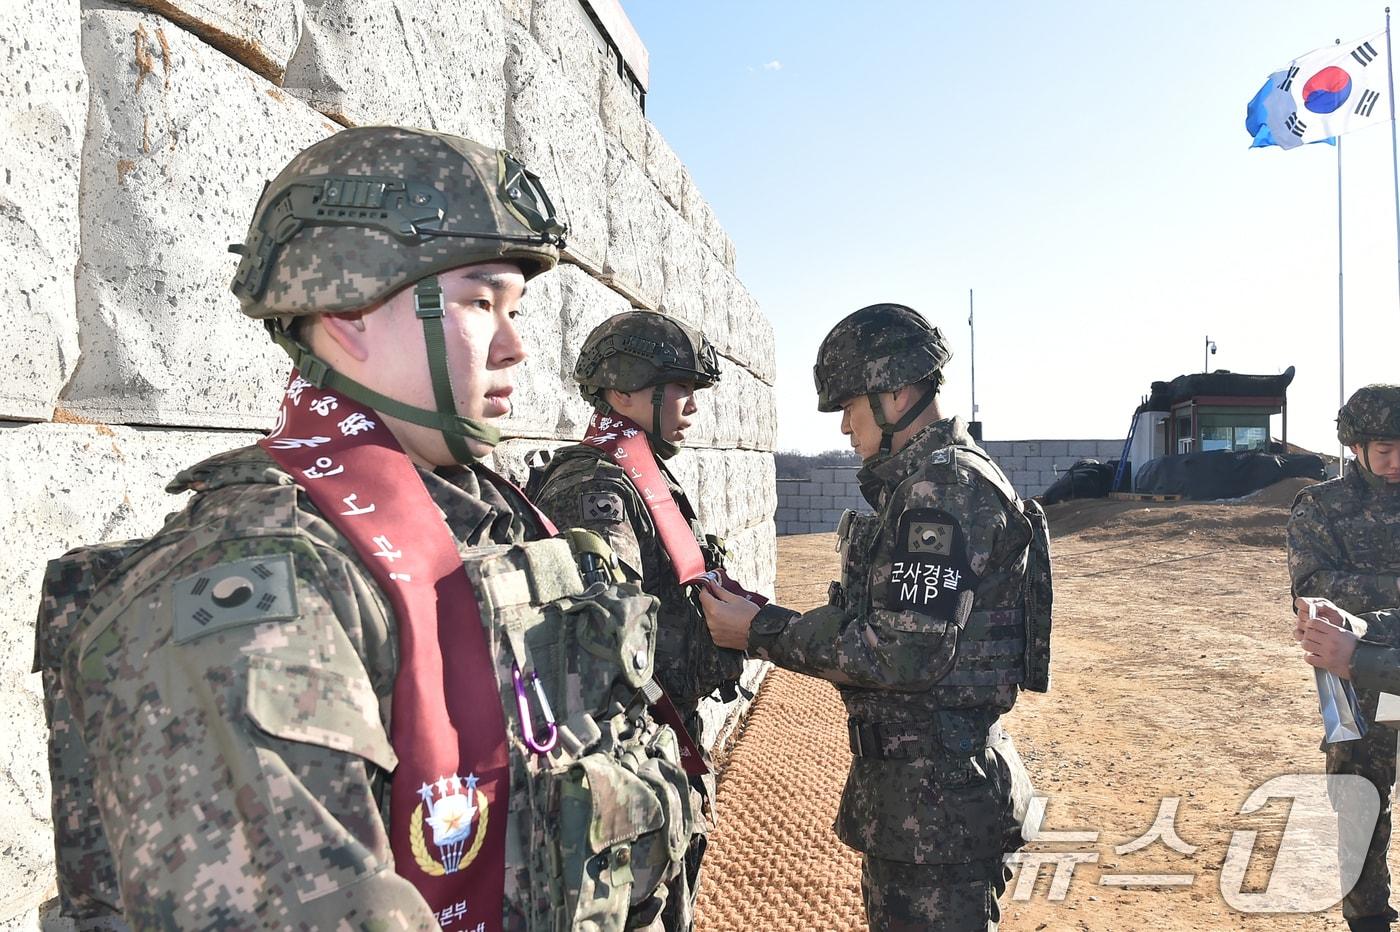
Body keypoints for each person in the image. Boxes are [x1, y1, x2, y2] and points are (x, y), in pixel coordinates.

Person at [39, 127, 692, 931]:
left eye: (514, 309)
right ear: (347, 314)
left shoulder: (492, 517)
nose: (518, 347)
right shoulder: (259, 590)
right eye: (481, 304)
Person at [700, 303, 1050, 931]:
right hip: (921, 797)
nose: (843, 427)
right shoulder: (928, 483)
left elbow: (902, 652)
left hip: (936, 809)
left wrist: (760, 631)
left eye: (850, 406)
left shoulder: (942, 490)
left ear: (896, 393)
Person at [529, 310, 746, 931]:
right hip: (623, 763)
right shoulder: (597, 489)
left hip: (660, 740)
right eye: (678, 389)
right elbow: (600, 650)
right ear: (624, 390)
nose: (691, 407)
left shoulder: (641, 476)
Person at [1289, 383, 1400, 932]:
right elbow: (1313, 589)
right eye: (1384, 450)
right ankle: (1369, 916)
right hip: (1358, 683)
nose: (1397, 462)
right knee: (1361, 804)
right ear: (1355, 447)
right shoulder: (1322, 507)